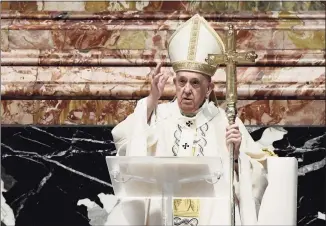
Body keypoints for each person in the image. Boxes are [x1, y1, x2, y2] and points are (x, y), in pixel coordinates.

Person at [110, 14, 270, 225]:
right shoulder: (158, 115)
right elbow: (123, 138)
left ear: (209, 88)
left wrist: (236, 156)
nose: (186, 90)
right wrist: (152, 99)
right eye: (181, 81)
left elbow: (256, 174)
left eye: (195, 83)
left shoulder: (225, 122)